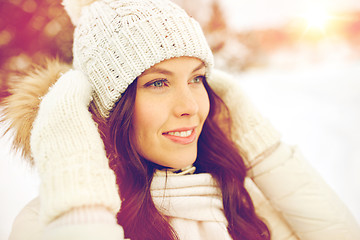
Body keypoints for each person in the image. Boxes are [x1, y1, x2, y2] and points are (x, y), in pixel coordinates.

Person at [2, 0, 360, 239]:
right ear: (108, 106)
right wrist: (76, 178)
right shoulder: (44, 224)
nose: (190, 106)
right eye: (158, 82)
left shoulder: (240, 196)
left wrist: (262, 147)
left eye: (196, 79)